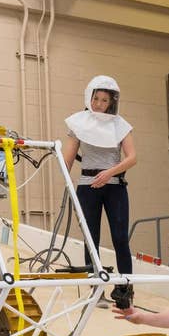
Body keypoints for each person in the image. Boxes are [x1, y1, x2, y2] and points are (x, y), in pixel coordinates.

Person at [63, 75, 137, 309]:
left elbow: (132, 158)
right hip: (87, 186)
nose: (98, 104)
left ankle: (126, 291)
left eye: (104, 100)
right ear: (89, 97)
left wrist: (109, 173)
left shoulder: (120, 124)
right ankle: (96, 291)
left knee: (120, 238)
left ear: (111, 102)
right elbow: (67, 159)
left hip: (114, 186)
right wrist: (68, 183)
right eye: (95, 98)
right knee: (90, 238)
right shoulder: (78, 123)